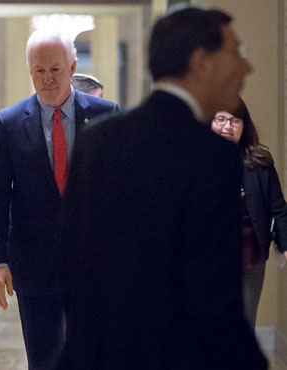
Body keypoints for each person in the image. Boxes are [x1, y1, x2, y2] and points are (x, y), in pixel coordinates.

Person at [56, 6, 266, 370]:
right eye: (235, 53)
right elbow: (212, 295)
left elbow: (73, 260)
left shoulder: (97, 140)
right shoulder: (211, 154)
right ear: (201, 62)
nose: (245, 68)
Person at [0, 26, 119, 369]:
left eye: (55, 69)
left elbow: (122, 191)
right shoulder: (9, 123)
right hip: (34, 265)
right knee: (44, 360)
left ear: (72, 68)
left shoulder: (105, 114)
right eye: (38, 71)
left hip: (93, 263)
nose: (47, 79)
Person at [210, 99, 287, 328]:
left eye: (235, 121)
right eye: (220, 119)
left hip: (249, 259)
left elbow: (278, 208)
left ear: (244, 126)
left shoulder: (260, 162)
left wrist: (284, 245)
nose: (227, 127)